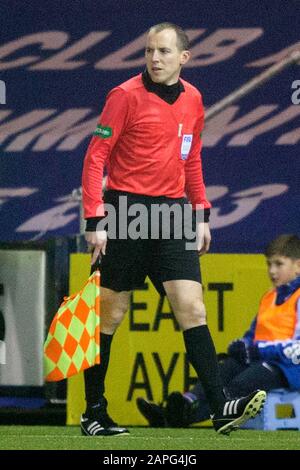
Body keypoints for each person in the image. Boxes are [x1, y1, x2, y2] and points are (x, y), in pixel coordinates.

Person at [81, 22, 266, 437]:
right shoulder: (124, 96)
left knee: (193, 309)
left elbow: (192, 159)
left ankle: (219, 408)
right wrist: (95, 220)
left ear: (184, 57)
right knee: (110, 315)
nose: (154, 59)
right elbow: (96, 157)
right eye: (149, 51)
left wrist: (201, 213)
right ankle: (94, 411)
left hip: (174, 214)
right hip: (126, 210)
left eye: (164, 52)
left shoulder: (195, 99)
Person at [136, 234, 300, 427]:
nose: (272, 271)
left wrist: (257, 350)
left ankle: (177, 417)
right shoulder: (269, 297)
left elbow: (296, 349)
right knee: (222, 370)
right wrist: (242, 346)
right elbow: (253, 335)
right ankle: (185, 403)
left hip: (288, 368)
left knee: (240, 384)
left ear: (297, 266)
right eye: (269, 264)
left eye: (279, 264)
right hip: (264, 359)